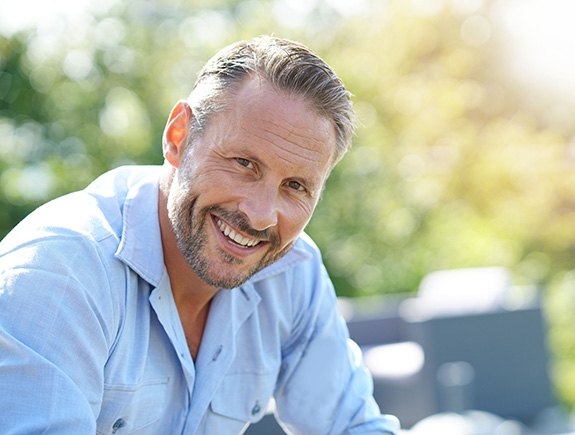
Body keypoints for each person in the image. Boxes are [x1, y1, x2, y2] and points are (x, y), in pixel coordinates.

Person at [0, 35, 399, 434]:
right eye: (244, 163)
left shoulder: (292, 273)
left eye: (295, 186)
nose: (260, 216)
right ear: (179, 137)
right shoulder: (59, 273)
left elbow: (355, 426)